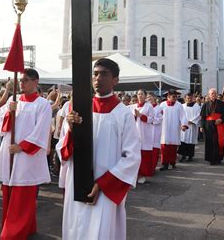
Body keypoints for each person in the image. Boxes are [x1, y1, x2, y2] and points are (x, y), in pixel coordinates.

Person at [56, 58, 141, 240]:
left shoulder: (123, 113)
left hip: (105, 187)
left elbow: (132, 157)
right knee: (76, 229)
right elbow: (62, 149)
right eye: (95, 74)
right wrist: (71, 130)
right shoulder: (77, 110)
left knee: (101, 231)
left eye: (104, 74)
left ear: (115, 80)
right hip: (78, 183)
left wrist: (103, 184)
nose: (98, 78)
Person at [0, 68, 52, 240]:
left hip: (26, 156)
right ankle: (18, 226)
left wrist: (22, 147)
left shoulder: (43, 104)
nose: (22, 83)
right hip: (9, 153)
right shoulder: (14, 100)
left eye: (26, 80)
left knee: (23, 195)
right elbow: (2, 128)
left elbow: (41, 130)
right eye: (21, 80)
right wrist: (8, 113)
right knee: (9, 192)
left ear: (36, 82)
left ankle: (15, 232)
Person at [159, 89, 187, 171]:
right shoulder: (162, 105)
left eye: (176, 96)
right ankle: (164, 164)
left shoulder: (179, 105)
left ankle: (172, 162)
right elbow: (158, 115)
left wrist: (183, 125)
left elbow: (183, 116)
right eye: (173, 96)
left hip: (175, 128)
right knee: (164, 147)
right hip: (165, 128)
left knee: (173, 147)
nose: (175, 98)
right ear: (168, 97)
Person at [131, 89, 154, 183]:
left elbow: (152, 119)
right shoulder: (132, 106)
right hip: (135, 133)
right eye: (138, 94)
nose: (140, 96)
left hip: (145, 134)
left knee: (144, 156)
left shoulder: (149, 106)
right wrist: (134, 116)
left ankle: (142, 175)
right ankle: (135, 174)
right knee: (135, 155)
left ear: (145, 96)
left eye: (142, 94)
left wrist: (140, 115)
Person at [200, 88, 224, 165]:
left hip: (218, 124)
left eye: (215, 93)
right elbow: (202, 116)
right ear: (209, 95)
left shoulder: (221, 103)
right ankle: (210, 159)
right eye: (212, 93)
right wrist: (202, 126)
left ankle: (218, 158)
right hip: (208, 125)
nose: (213, 95)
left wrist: (221, 119)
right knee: (209, 142)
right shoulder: (205, 104)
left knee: (218, 142)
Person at [179, 93, 201, 162]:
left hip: (192, 126)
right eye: (187, 98)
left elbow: (199, 115)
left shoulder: (196, 106)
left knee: (191, 141)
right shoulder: (182, 106)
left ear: (193, 98)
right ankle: (183, 156)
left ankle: (190, 156)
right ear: (185, 99)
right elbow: (179, 115)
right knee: (183, 141)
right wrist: (182, 123)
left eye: (190, 98)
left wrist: (192, 121)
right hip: (184, 126)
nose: (189, 99)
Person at [147, 93, 163, 172]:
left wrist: (150, 120)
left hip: (155, 130)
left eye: (150, 97)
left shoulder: (159, 108)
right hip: (147, 131)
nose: (148, 98)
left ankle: (152, 167)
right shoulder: (146, 107)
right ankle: (148, 167)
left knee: (154, 150)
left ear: (154, 98)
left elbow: (160, 119)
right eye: (147, 97)